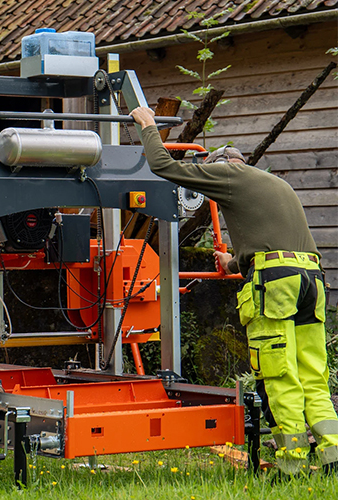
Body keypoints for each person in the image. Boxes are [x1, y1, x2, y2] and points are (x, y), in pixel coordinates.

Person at [130, 106, 337, 475]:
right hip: (311, 279)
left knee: (279, 373)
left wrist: (148, 126)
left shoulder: (227, 174)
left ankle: (290, 465)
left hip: (276, 283)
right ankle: (333, 455)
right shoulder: (273, 183)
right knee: (312, 373)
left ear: (221, 165)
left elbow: (163, 167)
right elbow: (277, 245)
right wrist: (233, 264)